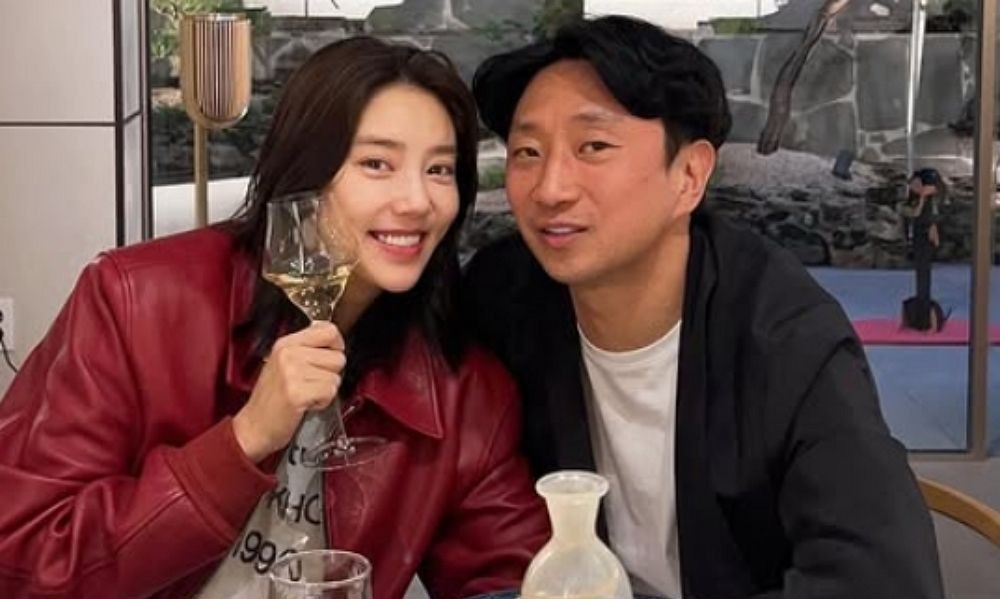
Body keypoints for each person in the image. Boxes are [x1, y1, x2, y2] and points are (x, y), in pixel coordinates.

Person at [0, 37, 548, 599]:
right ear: (304, 174)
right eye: (376, 164)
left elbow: (515, 577)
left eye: (439, 169)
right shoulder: (137, 303)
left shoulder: (461, 389)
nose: (417, 201)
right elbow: (22, 560)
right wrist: (244, 441)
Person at [464, 15, 944, 599]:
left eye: (593, 146)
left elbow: (886, 580)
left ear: (690, 174)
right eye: (527, 152)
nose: (549, 188)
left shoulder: (781, 334)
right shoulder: (503, 297)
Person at [900, 168, 946, 331]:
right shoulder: (909, 202)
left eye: (919, 184)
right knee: (921, 274)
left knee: (925, 274)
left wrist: (934, 226)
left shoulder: (933, 200)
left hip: (928, 237)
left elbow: (939, 206)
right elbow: (915, 213)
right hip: (917, 238)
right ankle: (920, 312)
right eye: (913, 184)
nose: (916, 186)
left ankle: (927, 314)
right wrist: (922, 197)